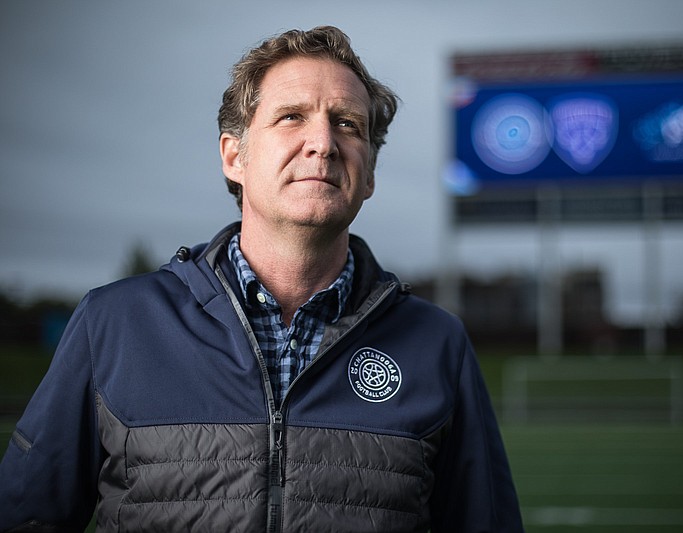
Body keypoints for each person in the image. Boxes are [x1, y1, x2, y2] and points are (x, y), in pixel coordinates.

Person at [0, 26, 523, 532]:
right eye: (292, 117)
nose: (322, 142)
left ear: (369, 175)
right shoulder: (113, 324)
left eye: (347, 124)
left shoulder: (437, 343)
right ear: (234, 157)